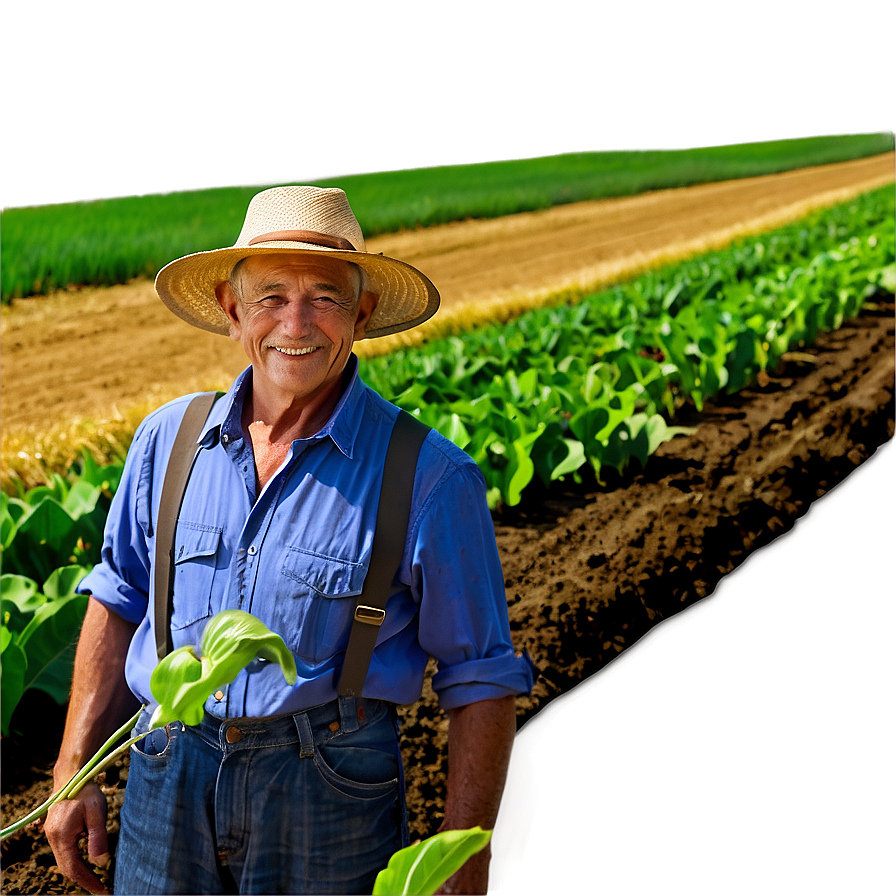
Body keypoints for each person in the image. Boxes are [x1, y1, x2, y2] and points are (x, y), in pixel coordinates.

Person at [44, 185, 535, 895]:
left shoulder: (428, 476)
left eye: (327, 298)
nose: (296, 323)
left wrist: (464, 862)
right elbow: (119, 597)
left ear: (362, 314)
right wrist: (72, 769)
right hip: (165, 773)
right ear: (230, 309)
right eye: (271, 295)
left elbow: (482, 677)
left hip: (328, 787)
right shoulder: (169, 441)